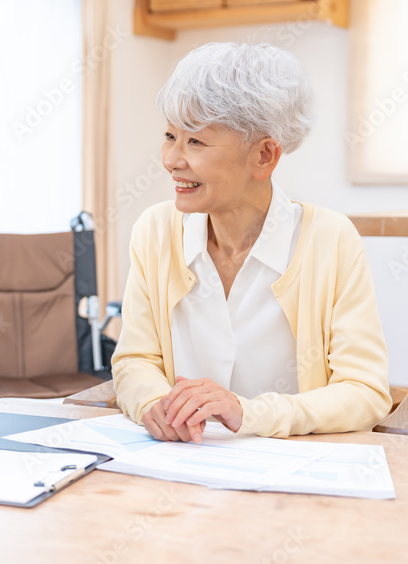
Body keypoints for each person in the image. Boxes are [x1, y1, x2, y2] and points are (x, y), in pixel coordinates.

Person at [112, 42, 392, 443]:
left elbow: (364, 392)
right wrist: (154, 403)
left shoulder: (330, 240)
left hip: (292, 477)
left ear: (264, 156)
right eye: (170, 136)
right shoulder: (155, 231)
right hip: (181, 470)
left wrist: (248, 413)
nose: (172, 159)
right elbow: (135, 360)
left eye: (195, 142)